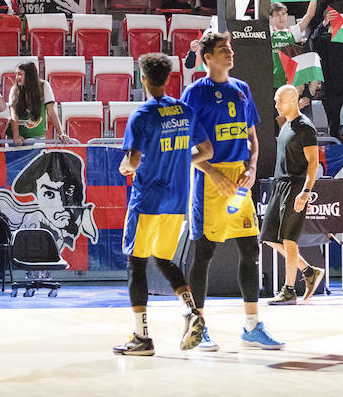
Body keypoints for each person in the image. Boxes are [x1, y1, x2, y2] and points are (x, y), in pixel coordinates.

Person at [183, 31, 281, 350]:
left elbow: (253, 138)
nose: (230, 53)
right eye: (223, 49)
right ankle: (197, 326)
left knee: (250, 250)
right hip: (211, 182)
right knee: (205, 253)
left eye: (230, 48)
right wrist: (211, 172)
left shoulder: (242, 89)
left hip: (240, 179)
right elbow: (185, 150)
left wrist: (252, 168)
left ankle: (252, 325)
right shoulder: (195, 94)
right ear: (207, 57)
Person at [113, 53, 211, 356]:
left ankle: (141, 338)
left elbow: (133, 161)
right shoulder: (185, 111)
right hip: (177, 200)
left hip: (148, 198)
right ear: (167, 79)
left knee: (136, 263)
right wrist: (183, 161)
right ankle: (194, 312)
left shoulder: (141, 115)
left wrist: (123, 167)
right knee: (164, 259)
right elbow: (206, 151)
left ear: (143, 78)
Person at [263, 84, 324, 306]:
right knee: (269, 238)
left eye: (279, 100)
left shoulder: (305, 128)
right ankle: (309, 271)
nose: (276, 104)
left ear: (292, 101)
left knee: (289, 240)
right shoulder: (285, 125)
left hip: (295, 186)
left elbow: (313, 163)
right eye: (276, 100)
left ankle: (289, 290)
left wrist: (306, 192)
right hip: (279, 185)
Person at [9, 61, 68, 144]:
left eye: (19, 74)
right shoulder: (14, 89)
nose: (16, 78)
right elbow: (13, 114)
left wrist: (61, 133)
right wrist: (16, 135)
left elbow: (51, 112)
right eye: (16, 74)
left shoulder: (44, 86)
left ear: (29, 75)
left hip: (37, 138)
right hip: (16, 139)